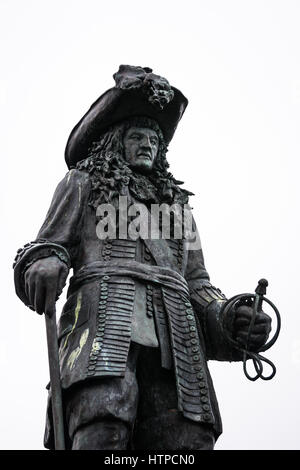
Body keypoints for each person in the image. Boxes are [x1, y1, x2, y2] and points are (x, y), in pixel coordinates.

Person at [13, 65, 271, 450]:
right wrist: (43, 262)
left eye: (154, 139)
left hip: (177, 338)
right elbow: (47, 245)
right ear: (116, 141)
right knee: (104, 425)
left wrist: (228, 316)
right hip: (102, 329)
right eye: (137, 136)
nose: (148, 144)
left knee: (187, 440)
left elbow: (198, 284)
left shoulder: (180, 210)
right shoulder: (82, 183)